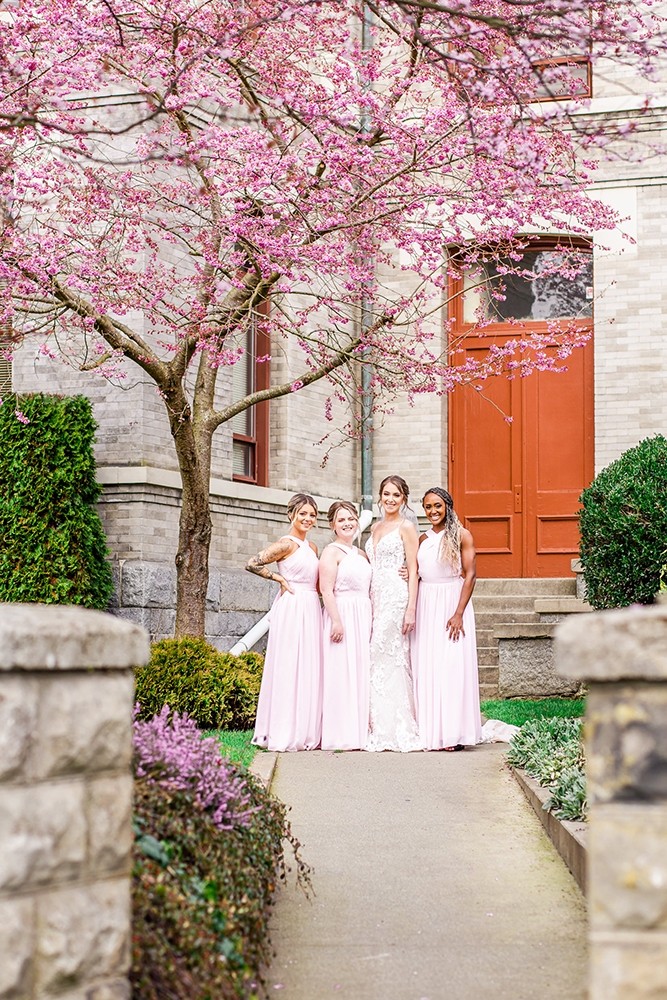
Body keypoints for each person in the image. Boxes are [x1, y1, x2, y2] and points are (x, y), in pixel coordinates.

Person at [245, 493, 322, 751]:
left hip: (311, 607)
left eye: (312, 514)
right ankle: (282, 730)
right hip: (292, 606)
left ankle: (305, 730)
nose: (308, 519)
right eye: (303, 514)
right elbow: (252, 563)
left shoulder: (312, 548)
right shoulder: (285, 544)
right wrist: (278, 579)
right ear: (291, 515)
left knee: (308, 666)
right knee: (289, 664)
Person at [411, 487, 482, 751]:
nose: (433, 512)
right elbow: (417, 571)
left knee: (452, 666)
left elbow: (471, 575)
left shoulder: (462, 535)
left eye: (437, 506)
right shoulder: (421, 539)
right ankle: (433, 731)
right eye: (428, 507)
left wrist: (458, 613)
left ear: (448, 506)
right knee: (429, 664)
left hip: (452, 601)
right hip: (426, 603)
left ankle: (454, 732)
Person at [364, 475, 421, 752]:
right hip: (374, 597)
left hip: (396, 598)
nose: (390, 499)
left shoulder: (406, 527)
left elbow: (414, 568)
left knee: (388, 654)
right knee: (375, 658)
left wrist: (410, 608)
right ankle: (374, 722)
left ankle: (396, 726)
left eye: (396, 495)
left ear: (404, 500)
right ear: (380, 495)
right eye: (386, 494)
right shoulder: (374, 527)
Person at [319, 501, 372, 751]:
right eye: (341, 520)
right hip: (342, 614)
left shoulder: (361, 554)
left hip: (363, 614)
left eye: (351, 518)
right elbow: (326, 590)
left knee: (360, 670)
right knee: (341, 671)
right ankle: (340, 732)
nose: (348, 523)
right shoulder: (331, 552)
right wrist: (337, 621)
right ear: (333, 525)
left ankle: (360, 728)